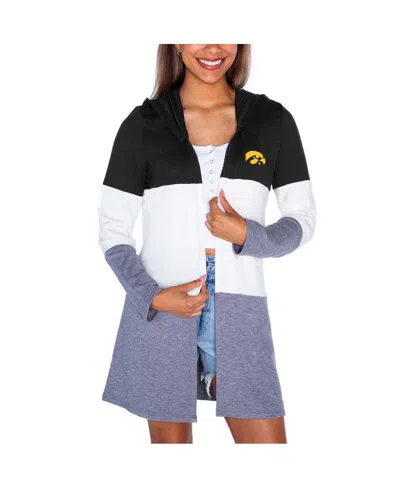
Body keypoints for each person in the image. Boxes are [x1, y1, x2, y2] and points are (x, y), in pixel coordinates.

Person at [98, 44, 316, 443]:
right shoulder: (143, 124)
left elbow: (302, 220)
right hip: (165, 307)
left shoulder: (273, 121)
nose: (213, 47)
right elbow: (113, 232)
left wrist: (250, 235)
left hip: (241, 311)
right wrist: (152, 296)